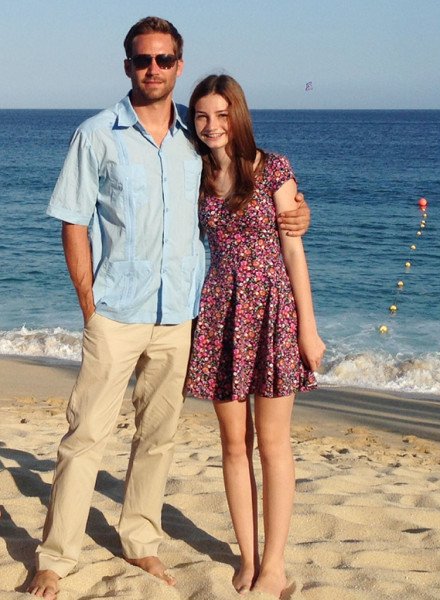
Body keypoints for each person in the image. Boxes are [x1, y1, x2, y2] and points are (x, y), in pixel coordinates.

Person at [27, 17, 311, 600]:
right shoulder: (96, 134)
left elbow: (254, 194)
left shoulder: (196, 139)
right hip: (116, 312)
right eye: (142, 59)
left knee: (157, 439)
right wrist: (89, 305)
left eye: (163, 59)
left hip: (182, 316)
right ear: (127, 65)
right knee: (85, 437)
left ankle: (140, 540)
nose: (152, 69)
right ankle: (55, 559)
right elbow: (73, 221)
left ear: (179, 65)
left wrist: (299, 214)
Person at [184, 75, 326, 598]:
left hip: (272, 313)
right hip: (219, 314)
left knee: (273, 445)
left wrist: (308, 329)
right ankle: (247, 557)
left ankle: (274, 565)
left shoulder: (274, 169)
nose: (212, 125)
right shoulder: (194, 173)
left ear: (238, 115)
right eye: (202, 116)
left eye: (222, 115)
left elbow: (293, 251)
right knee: (232, 444)